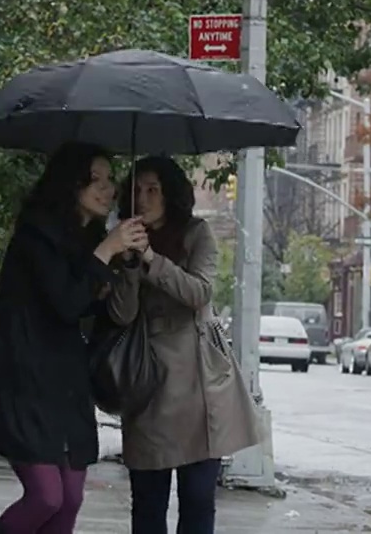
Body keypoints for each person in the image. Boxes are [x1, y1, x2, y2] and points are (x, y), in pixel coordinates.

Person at [0, 142, 147, 534]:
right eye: (94, 179)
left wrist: (126, 263)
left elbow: (109, 314)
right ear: (70, 184)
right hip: (24, 378)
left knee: (69, 500)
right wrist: (105, 253)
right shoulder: (36, 236)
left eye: (110, 179)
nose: (107, 189)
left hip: (66, 379)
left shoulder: (88, 241)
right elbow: (65, 303)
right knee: (46, 496)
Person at [109, 157, 259, 534]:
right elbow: (121, 315)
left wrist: (150, 259)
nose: (143, 198)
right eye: (137, 190)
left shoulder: (196, 233)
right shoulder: (121, 237)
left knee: (197, 498)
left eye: (153, 190)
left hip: (199, 378)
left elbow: (200, 293)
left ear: (170, 193)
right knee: (148, 501)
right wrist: (127, 265)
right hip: (147, 378)